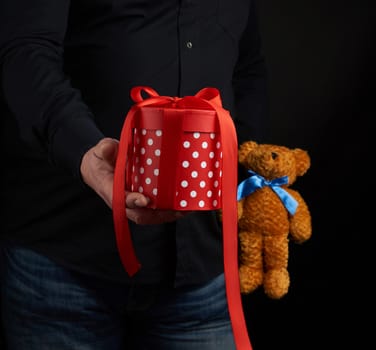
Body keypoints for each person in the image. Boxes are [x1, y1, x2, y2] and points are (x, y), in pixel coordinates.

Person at [0, 1, 269, 349]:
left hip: (202, 266)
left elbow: (247, 68)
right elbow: (25, 50)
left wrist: (247, 179)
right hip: (62, 261)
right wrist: (84, 152)